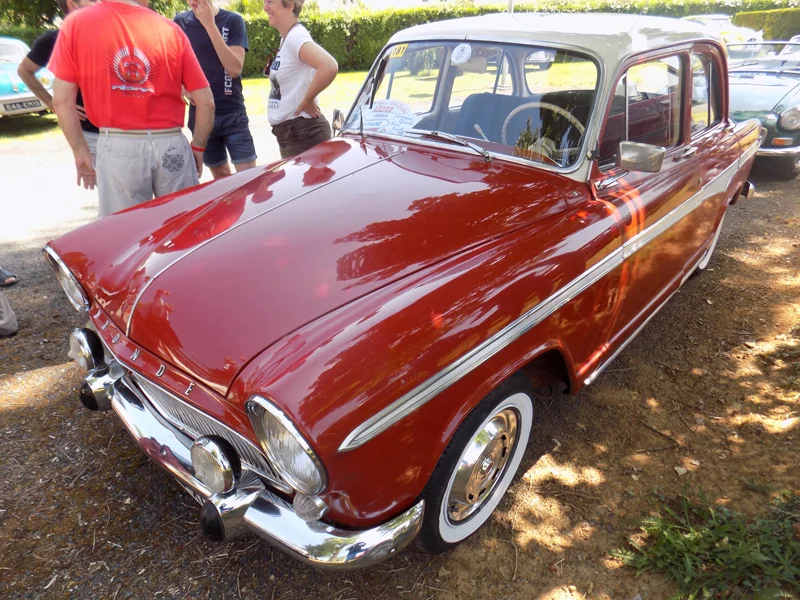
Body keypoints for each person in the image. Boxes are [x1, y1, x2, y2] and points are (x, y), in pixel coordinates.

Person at [48, 0, 215, 217]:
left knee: (126, 233)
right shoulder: (170, 29)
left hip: (119, 146)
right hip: (170, 143)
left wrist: (81, 151)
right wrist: (198, 147)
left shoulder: (77, 23)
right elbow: (206, 102)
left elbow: (62, 100)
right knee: (184, 226)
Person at [175, 0, 256, 179]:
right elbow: (172, 64)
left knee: (249, 179)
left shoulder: (233, 21)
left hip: (232, 113)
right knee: (222, 179)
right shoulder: (180, 22)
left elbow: (234, 69)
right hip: (202, 116)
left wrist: (210, 25)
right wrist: (181, 86)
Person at [17, 1, 100, 161]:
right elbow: (24, 70)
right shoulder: (54, 39)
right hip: (89, 133)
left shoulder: (109, 34)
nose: (99, 2)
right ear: (73, 4)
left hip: (123, 132)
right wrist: (52, 103)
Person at [263, 0, 338, 159]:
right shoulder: (287, 38)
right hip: (294, 135)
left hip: (303, 135)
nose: (265, 7)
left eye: (270, 1)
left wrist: (308, 98)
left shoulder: (295, 37)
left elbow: (329, 66)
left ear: (290, 6)